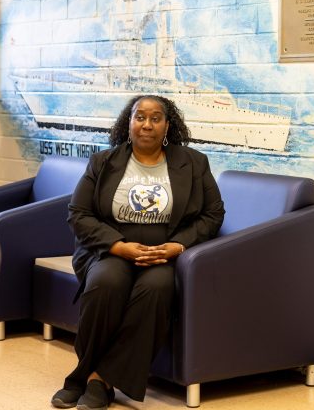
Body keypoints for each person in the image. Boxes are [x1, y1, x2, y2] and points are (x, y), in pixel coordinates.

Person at [51, 95, 225, 410]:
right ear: (128, 123)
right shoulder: (103, 162)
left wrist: (177, 246)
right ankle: (87, 377)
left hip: (164, 254)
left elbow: (213, 215)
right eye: (139, 117)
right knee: (106, 284)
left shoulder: (194, 163)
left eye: (155, 118)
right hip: (111, 250)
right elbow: (79, 213)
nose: (147, 124)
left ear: (168, 125)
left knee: (157, 289)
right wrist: (119, 246)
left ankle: (95, 378)